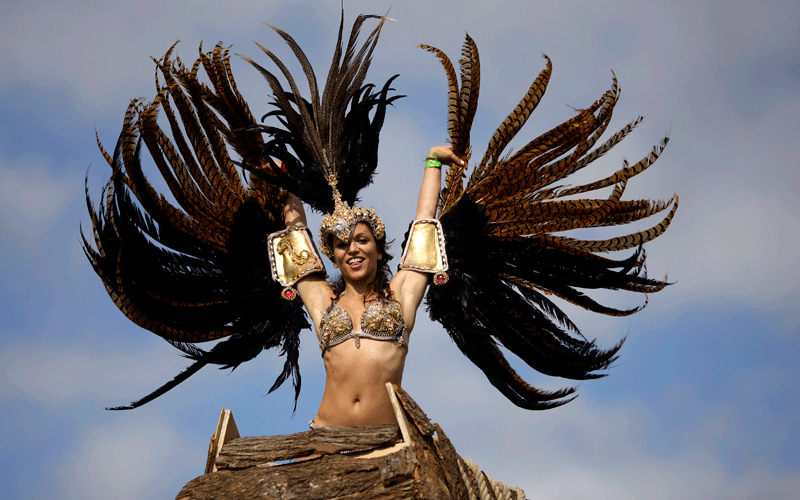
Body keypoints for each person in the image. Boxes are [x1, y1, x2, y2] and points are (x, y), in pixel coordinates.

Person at [280, 145, 464, 428]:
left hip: (386, 444)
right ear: (334, 258)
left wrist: (433, 162)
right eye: (342, 245)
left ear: (379, 250)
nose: (352, 250)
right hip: (327, 441)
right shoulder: (323, 300)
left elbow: (424, 224)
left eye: (362, 241)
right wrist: (288, 183)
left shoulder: (400, 295)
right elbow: (296, 239)